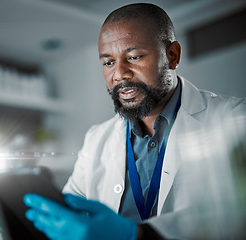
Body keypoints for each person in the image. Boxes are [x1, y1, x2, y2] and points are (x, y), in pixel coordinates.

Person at [24, 3, 246, 239]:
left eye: (134, 56)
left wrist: (136, 234)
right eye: (108, 62)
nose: (119, 74)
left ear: (173, 56)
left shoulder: (236, 119)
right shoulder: (96, 138)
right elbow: (70, 212)